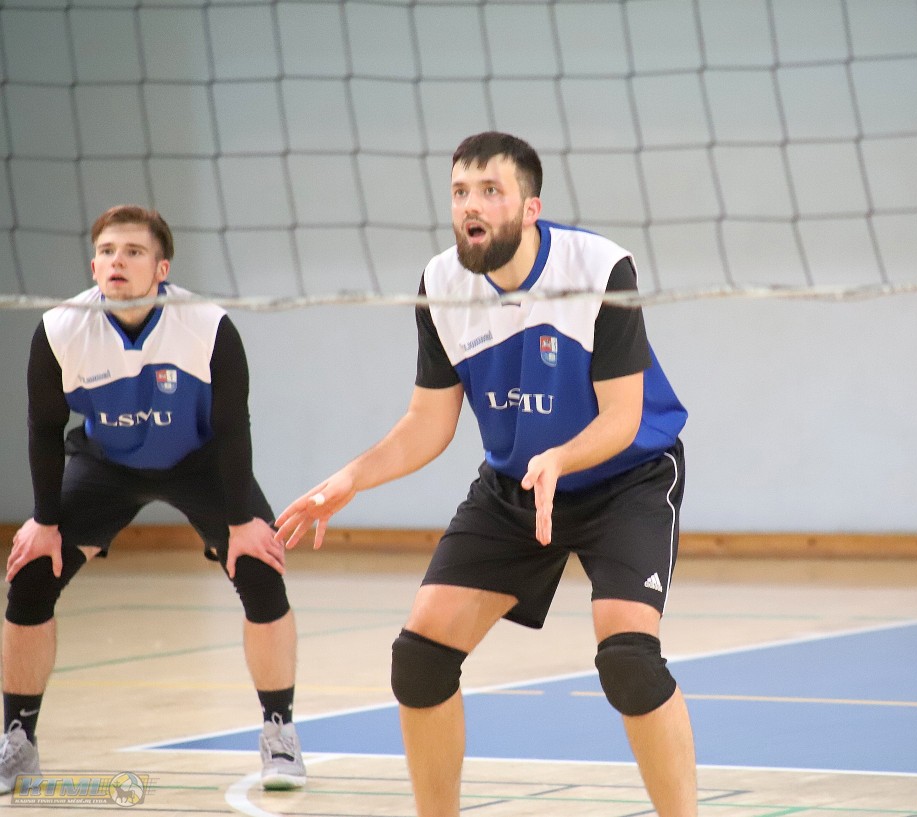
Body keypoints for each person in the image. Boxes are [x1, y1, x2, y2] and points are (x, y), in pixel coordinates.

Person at [276, 132, 697, 815]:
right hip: (516, 487)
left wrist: (561, 457)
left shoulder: (598, 267)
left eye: (490, 191)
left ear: (531, 208)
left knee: (629, 660)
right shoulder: (442, 284)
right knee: (420, 659)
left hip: (627, 477)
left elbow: (624, 416)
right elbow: (429, 421)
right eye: (460, 192)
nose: (470, 205)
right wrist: (351, 477)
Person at [0, 205, 306, 793]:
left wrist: (241, 521)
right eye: (107, 251)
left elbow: (233, 426)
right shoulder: (60, 329)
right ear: (94, 266)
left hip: (201, 460)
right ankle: (18, 741)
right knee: (33, 574)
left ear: (161, 269)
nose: (118, 261)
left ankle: (280, 734)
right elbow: (44, 429)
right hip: (105, 464)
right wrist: (44, 521)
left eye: (134, 252)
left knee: (261, 569)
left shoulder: (206, 325)